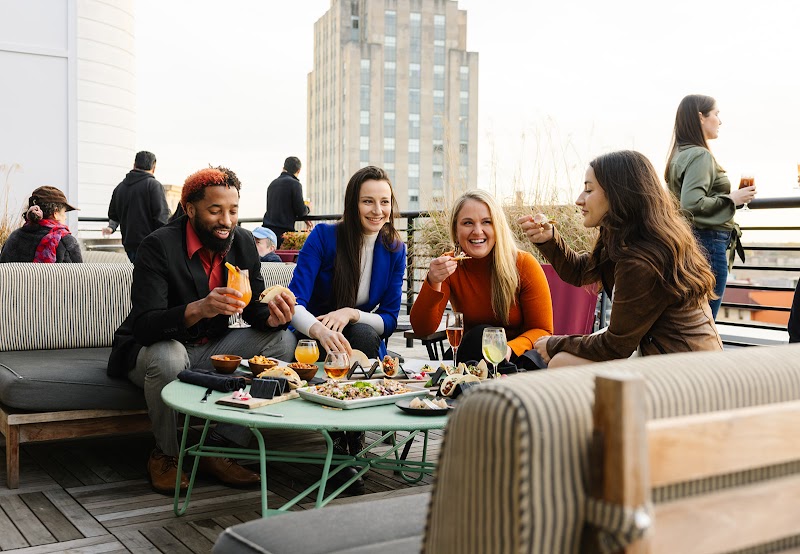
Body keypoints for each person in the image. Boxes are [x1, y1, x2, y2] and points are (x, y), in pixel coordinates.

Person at [107, 166, 297, 494]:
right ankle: (165, 454)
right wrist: (200, 308)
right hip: (155, 350)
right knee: (169, 355)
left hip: (211, 349)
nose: (226, 220)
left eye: (233, 210)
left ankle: (221, 447)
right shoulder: (158, 246)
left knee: (283, 341)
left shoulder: (243, 243)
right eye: (215, 210)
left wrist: (273, 317)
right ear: (191, 209)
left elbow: (253, 310)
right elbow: (146, 326)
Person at [519, 150, 722, 368]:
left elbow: (615, 347)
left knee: (561, 362)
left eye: (589, 190)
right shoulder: (630, 240)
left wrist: (555, 343)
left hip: (688, 375)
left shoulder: (642, 261)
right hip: (680, 359)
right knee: (563, 360)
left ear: (618, 194)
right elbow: (580, 272)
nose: (579, 200)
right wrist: (549, 239)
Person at [288, 165, 406, 494]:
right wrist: (318, 329)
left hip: (359, 335)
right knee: (347, 340)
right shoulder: (324, 236)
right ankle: (341, 446)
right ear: (352, 203)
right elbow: (295, 301)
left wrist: (352, 313)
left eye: (385, 202)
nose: (378, 210)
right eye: (368, 201)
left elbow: (390, 319)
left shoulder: (396, 248)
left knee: (365, 335)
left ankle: (350, 440)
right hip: (312, 333)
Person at [410, 189, 554, 368]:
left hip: (518, 360)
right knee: (478, 337)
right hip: (474, 357)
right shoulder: (449, 265)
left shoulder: (524, 264)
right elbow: (423, 329)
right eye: (468, 223)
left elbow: (543, 330)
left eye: (486, 222)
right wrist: (433, 281)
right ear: (456, 229)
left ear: (497, 227)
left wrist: (507, 348)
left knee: (483, 336)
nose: (477, 231)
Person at [665, 95, 756, 319]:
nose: (719, 121)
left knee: (691, 320)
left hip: (689, 243)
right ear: (700, 117)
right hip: (708, 244)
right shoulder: (700, 155)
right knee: (706, 322)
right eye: (716, 114)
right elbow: (692, 203)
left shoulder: (679, 154)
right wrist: (732, 199)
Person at [103, 151, 170, 263]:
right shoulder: (153, 185)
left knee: (138, 275)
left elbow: (113, 215)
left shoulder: (120, 188)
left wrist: (111, 227)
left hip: (129, 245)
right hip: (151, 246)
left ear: (134, 165)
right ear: (153, 167)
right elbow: (162, 218)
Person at [0, 186, 82, 263]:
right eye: (64, 212)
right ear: (55, 213)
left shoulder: (14, 237)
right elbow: (79, 275)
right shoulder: (66, 241)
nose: (65, 217)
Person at [262, 156, 310, 248]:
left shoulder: (272, 184)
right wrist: (308, 208)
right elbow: (300, 211)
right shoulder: (295, 184)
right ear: (298, 171)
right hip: (283, 234)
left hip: (268, 232)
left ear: (284, 168)